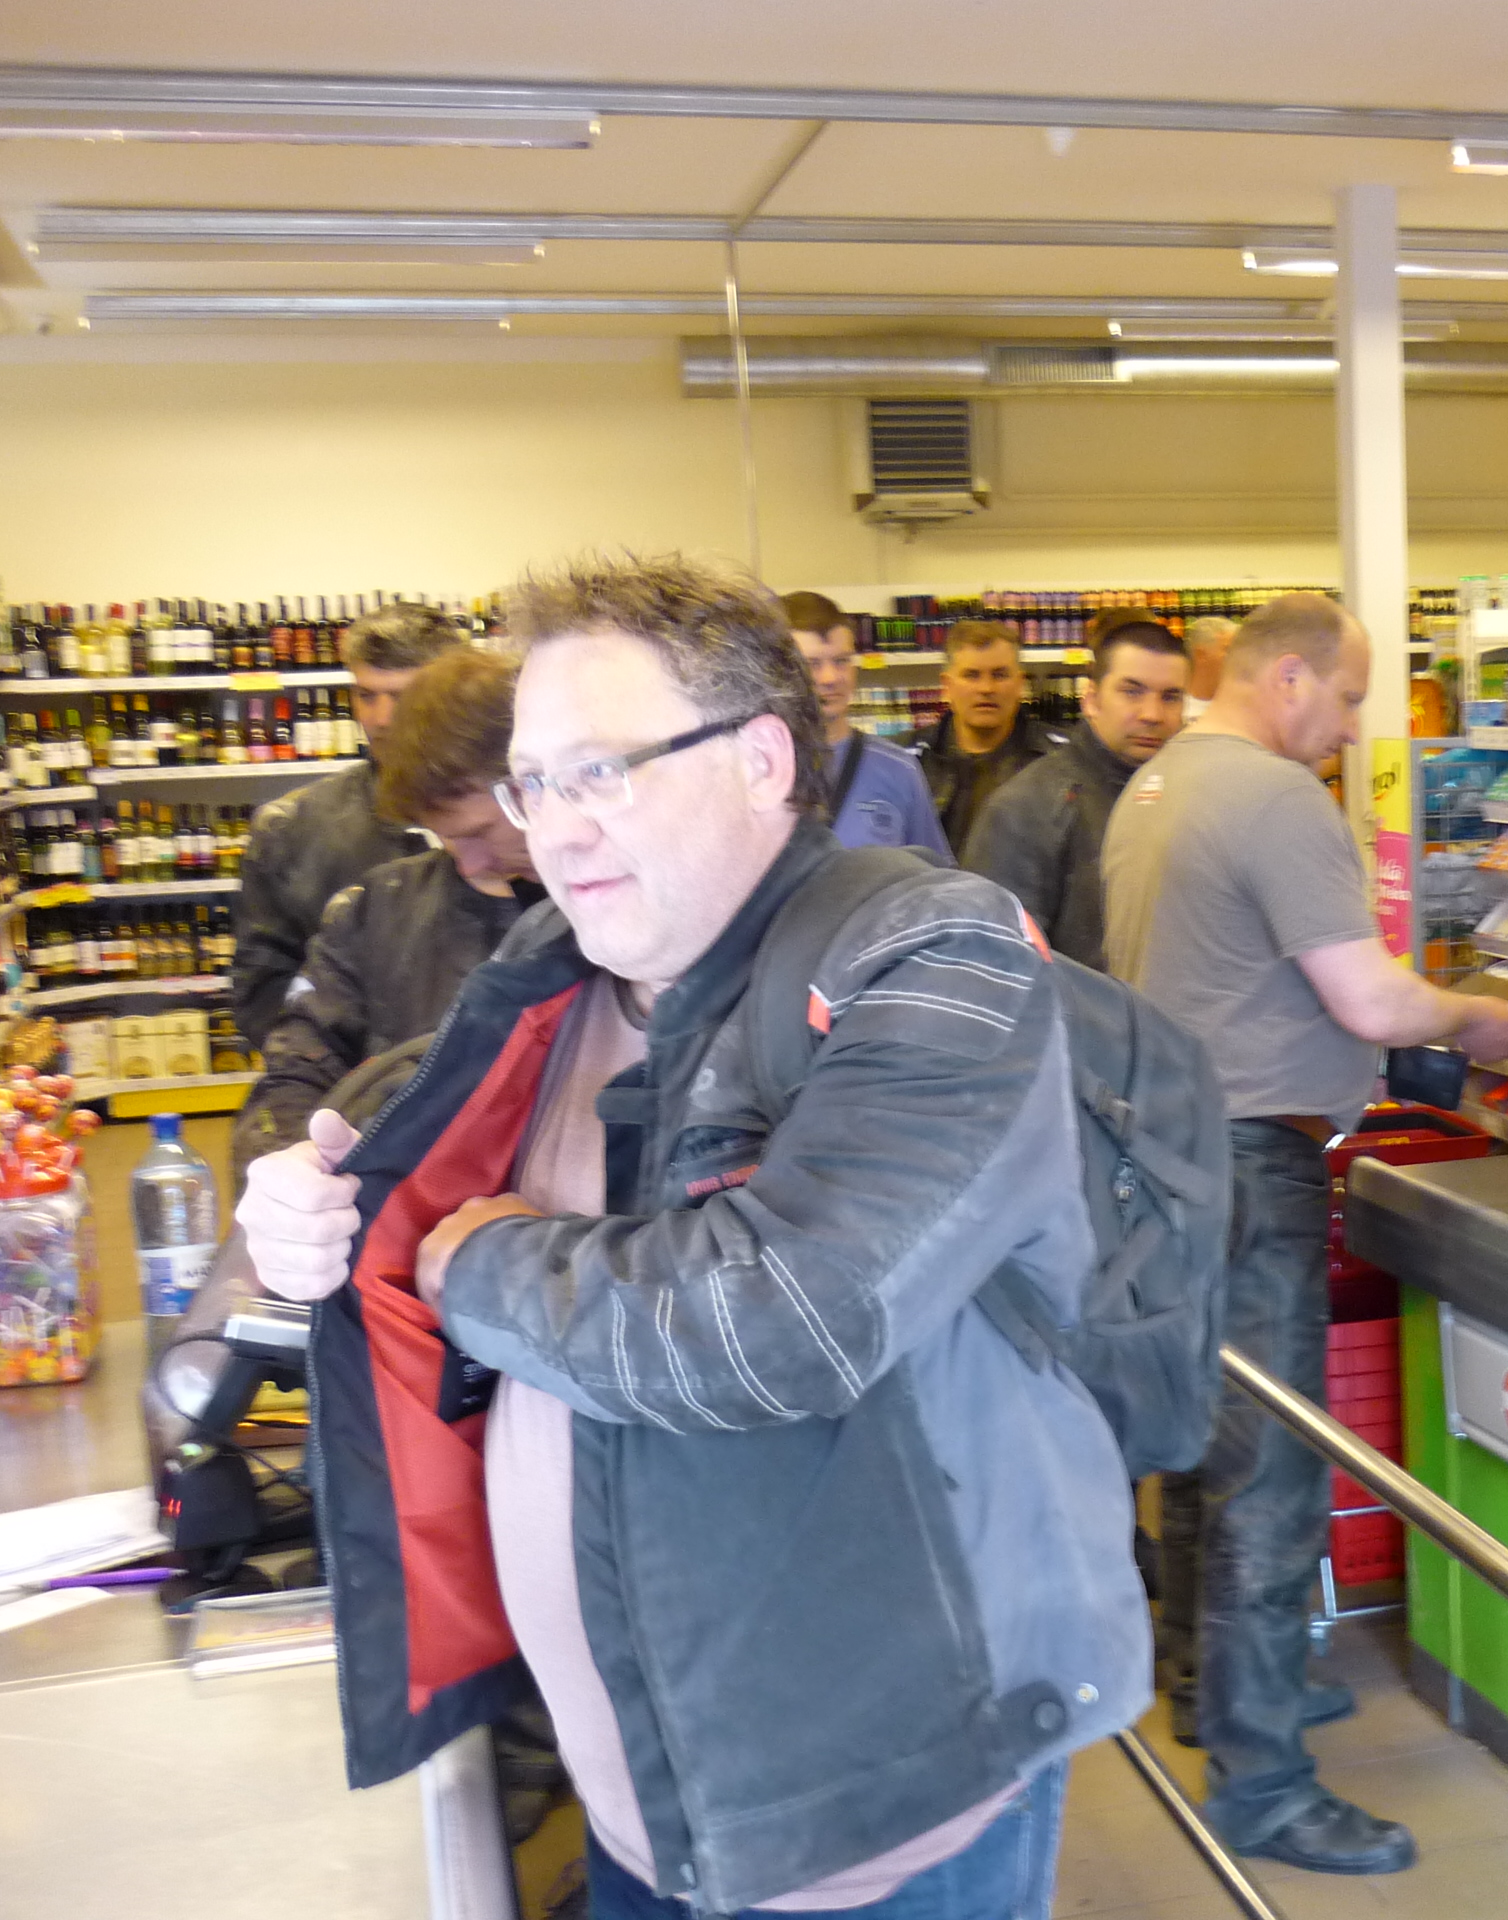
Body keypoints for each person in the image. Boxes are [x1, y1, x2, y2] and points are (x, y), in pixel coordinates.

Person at [235, 553, 1148, 1920]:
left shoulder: (940, 957)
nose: (556, 830)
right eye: (534, 785)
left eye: (602, 772)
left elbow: (783, 1320)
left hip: (877, 1810)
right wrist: (315, 1220)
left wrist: (471, 1263)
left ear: (762, 759)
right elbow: (390, 1172)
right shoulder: (553, 978)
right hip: (647, 1789)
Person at [1101, 591, 1508, 1876]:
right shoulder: (1275, 798)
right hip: (1251, 1161)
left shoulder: (1156, 785)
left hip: (1165, 1157)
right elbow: (1371, 1001)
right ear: (1286, 677)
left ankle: (1210, 1685)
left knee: (1206, 1442)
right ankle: (1264, 1784)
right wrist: (1480, 1018)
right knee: (1272, 1473)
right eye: (1344, 698)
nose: (1348, 728)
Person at [232, 647, 543, 1178]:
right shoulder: (373, 910)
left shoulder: (606, 911)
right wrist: (286, 1168)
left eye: (479, 832)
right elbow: (296, 1070)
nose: (467, 861)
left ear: (535, 786)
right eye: (445, 837)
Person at [234, 602, 460, 1048]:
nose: (380, 719)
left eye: (402, 696)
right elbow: (262, 994)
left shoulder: (513, 813)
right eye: (366, 695)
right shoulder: (290, 829)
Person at [965, 610, 1190, 968]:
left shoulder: (1192, 796)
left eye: (1170, 697)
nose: (1152, 714)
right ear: (1091, 699)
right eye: (1132, 691)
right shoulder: (1029, 806)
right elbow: (999, 963)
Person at [780, 590, 949, 857]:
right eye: (812, 664)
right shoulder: (753, 770)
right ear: (778, 670)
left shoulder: (899, 770)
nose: (830, 678)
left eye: (841, 661)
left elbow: (935, 874)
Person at [909, 619, 1066, 853]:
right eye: (971, 675)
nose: (986, 688)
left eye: (1000, 675)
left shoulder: (1063, 759)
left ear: (1020, 684)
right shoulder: (906, 761)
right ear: (947, 686)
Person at [1181, 616, 1236, 724]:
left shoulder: (1244, 706)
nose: (1237, 657)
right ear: (1201, 655)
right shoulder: (1175, 708)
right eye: (1228, 650)